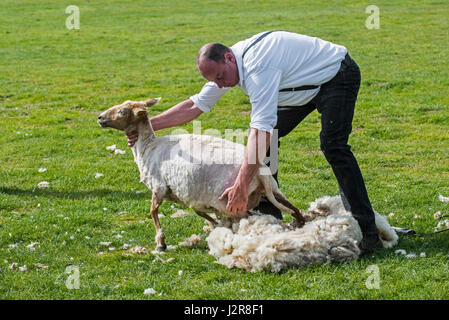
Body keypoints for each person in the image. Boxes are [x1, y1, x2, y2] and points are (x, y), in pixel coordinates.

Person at [126, 30, 383, 253]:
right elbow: (196, 105)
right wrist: (146, 127)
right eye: (213, 80)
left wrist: (240, 184)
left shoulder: (258, 66)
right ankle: (268, 213)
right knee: (267, 138)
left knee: (333, 145)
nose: (219, 84)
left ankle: (367, 231)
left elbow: (260, 130)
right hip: (299, 85)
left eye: (219, 77)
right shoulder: (228, 67)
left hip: (336, 75)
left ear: (228, 58)